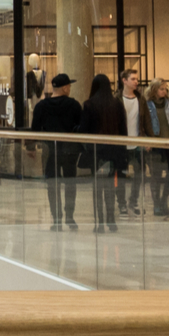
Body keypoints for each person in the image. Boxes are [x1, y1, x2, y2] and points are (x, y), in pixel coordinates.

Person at [30, 74, 83, 231]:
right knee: (70, 184)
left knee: (52, 184)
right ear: (65, 88)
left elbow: (35, 130)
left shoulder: (41, 106)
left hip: (49, 150)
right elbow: (80, 127)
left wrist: (31, 147)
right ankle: (70, 217)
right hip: (69, 150)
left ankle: (56, 218)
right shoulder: (73, 105)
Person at [80, 73, 126, 233]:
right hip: (114, 151)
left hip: (96, 152)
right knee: (110, 187)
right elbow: (123, 131)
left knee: (97, 188)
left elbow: (83, 130)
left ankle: (99, 223)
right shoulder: (117, 104)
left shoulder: (89, 105)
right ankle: (111, 220)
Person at [141, 78, 169, 217]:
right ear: (154, 89)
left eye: (165, 88)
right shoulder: (146, 103)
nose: (164, 91)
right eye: (162, 88)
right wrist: (145, 141)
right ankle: (157, 205)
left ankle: (163, 200)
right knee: (155, 175)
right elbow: (142, 123)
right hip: (155, 144)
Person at [116, 68, 145, 216]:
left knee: (139, 174)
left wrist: (147, 139)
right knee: (120, 174)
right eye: (133, 79)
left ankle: (133, 200)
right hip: (121, 144)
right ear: (124, 81)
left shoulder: (140, 99)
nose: (136, 82)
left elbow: (144, 121)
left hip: (137, 142)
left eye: (137, 79)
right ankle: (121, 203)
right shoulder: (116, 99)